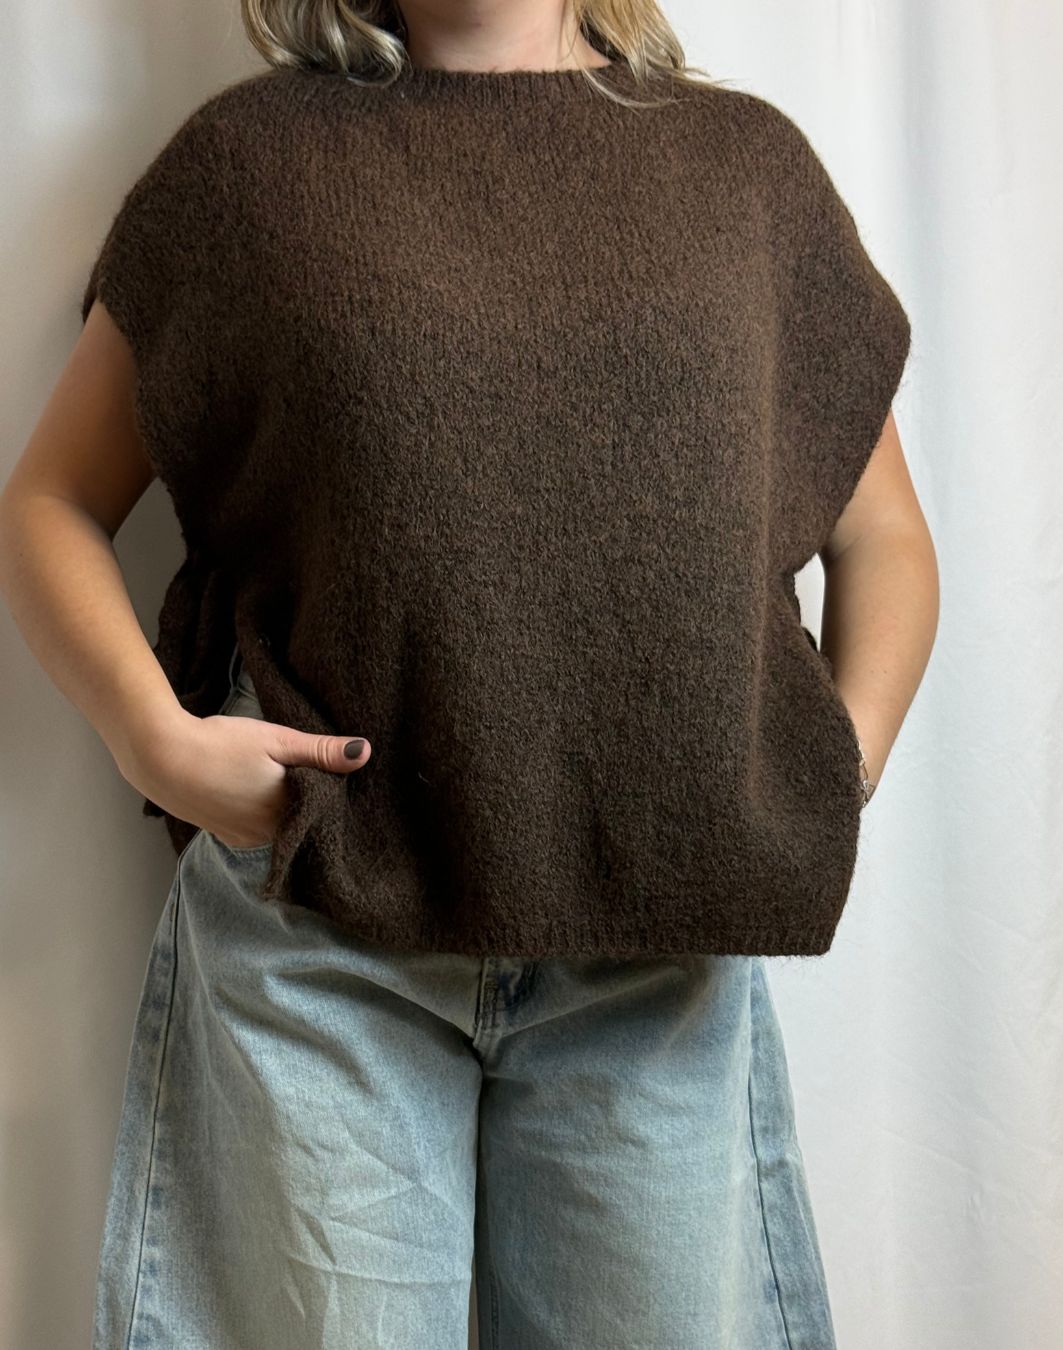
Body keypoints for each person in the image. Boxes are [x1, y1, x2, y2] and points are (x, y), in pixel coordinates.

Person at [0, 0, 938, 1346]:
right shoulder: (247, 171)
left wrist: (843, 765)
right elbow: (49, 501)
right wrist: (153, 737)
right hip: (321, 928)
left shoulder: (746, 173)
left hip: (657, 958)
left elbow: (883, 534)